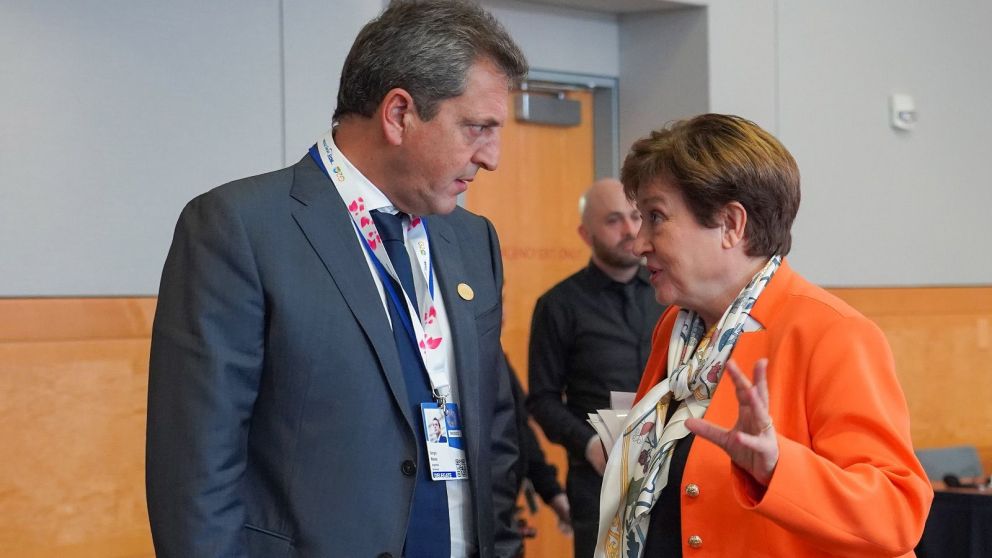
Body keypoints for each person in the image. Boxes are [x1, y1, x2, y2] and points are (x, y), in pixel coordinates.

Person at [145, 2, 528, 557]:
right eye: (477, 128)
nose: (491, 158)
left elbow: (493, 435)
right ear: (399, 114)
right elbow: (196, 468)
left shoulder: (473, 241)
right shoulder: (240, 228)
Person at [595, 114, 933, 557]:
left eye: (656, 217)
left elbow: (898, 511)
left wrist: (778, 468)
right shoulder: (676, 327)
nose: (640, 243)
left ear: (732, 224)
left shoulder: (832, 332)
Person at [527, 178, 665, 558]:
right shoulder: (558, 305)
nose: (630, 230)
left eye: (636, 217)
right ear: (585, 234)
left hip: (666, 468)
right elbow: (541, 399)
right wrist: (588, 444)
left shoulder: (669, 295)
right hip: (597, 477)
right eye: (613, 220)